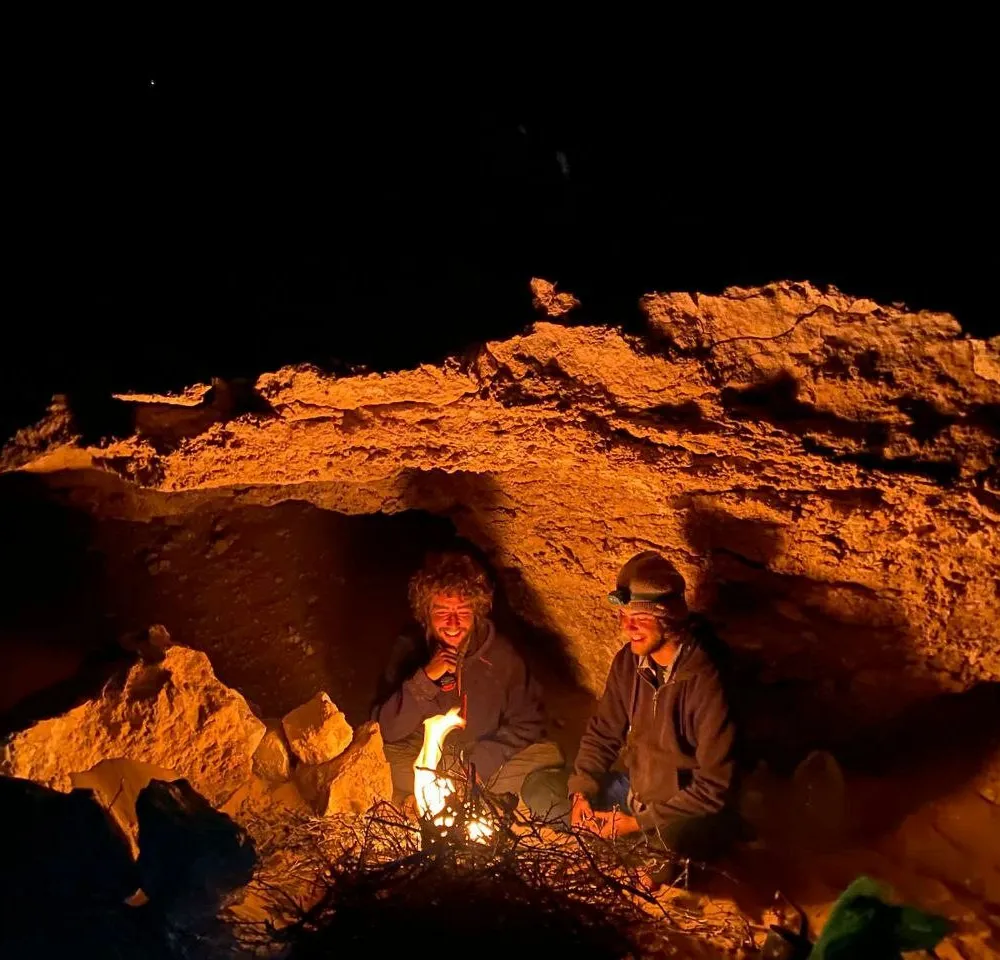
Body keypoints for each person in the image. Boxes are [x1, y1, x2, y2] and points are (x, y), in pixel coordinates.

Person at [522, 551, 738, 862]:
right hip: (634, 793)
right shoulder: (628, 662)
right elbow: (603, 734)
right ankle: (633, 850)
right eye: (624, 617)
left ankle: (644, 854)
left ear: (668, 618)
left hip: (680, 810)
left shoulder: (707, 679)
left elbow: (713, 787)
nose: (628, 627)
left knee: (675, 847)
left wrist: (634, 824)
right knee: (540, 789)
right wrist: (582, 793)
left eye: (640, 619)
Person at [372, 550, 564, 811]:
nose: (453, 623)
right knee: (374, 759)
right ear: (425, 613)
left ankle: (451, 797)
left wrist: (479, 764)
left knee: (545, 758)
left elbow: (528, 722)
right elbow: (387, 729)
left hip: (484, 761)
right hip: (426, 760)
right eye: (442, 612)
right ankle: (438, 799)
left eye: (463, 611)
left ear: (477, 612)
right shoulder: (410, 648)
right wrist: (425, 679)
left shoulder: (500, 655)